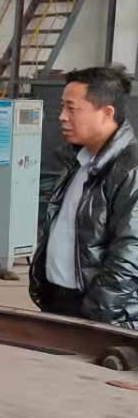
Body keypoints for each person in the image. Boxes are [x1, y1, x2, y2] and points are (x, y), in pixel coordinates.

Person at [30, 65, 138, 326]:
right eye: (62, 108)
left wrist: (97, 315)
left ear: (107, 113)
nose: (62, 117)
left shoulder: (130, 169)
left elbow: (131, 252)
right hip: (60, 301)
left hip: (100, 313)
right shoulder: (78, 161)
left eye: (72, 108)